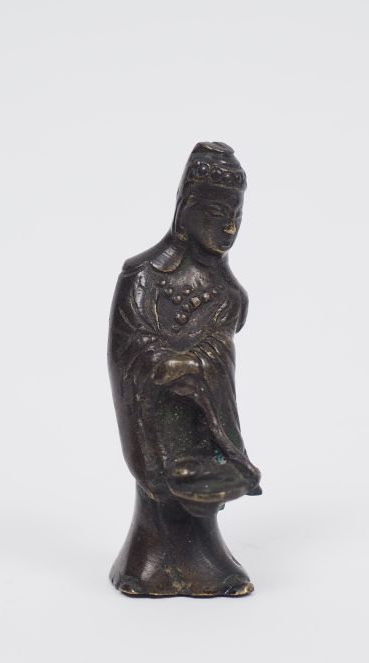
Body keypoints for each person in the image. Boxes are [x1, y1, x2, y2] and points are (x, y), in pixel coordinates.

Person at [107, 142, 262, 597]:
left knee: (202, 487)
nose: (228, 228)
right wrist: (158, 361)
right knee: (161, 493)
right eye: (215, 214)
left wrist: (196, 361)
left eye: (236, 215)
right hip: (154, 416)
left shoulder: (227, 293)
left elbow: (218, 349)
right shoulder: (142, 276)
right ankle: (147, 562)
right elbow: (125, 350)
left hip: (200, 417)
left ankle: (206, 561)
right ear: (185, 208)